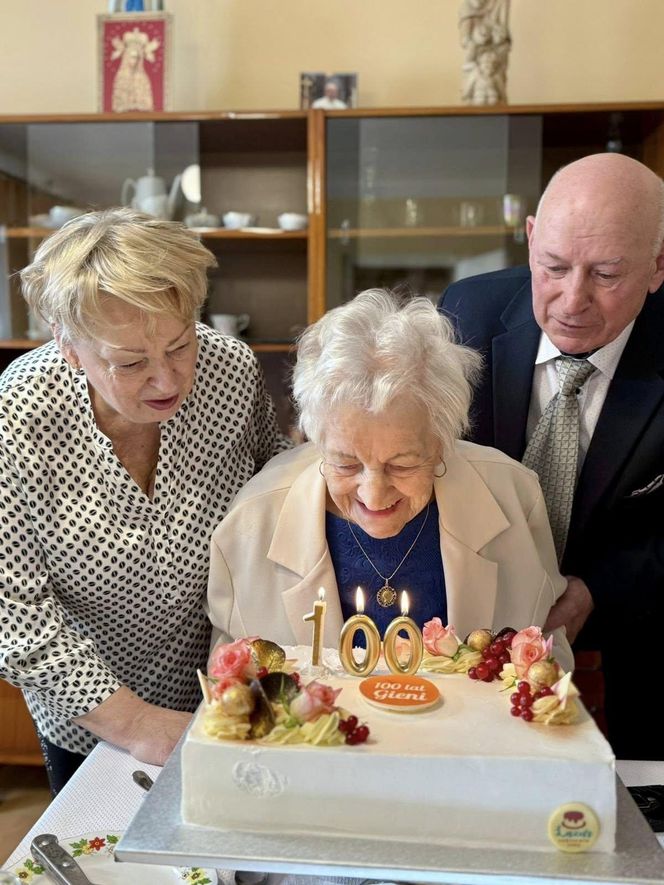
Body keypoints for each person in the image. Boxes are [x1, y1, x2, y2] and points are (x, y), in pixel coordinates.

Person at [0, 208, 287, 793]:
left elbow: (275, 485)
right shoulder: (19, 414)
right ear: (68, 346)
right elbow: (14, 612)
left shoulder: (230, 372)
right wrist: (134, 724)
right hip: (91, 714)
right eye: (130, 363)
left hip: (223, 680)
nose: (168, 381)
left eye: (180, 345)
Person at [207, 289, 573, 676]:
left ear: (442, 440)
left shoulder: (514, 498)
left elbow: (547, 663)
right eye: (346, 463)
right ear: (315, 439)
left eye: (402, 464)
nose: (373, 493)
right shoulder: (252, 522)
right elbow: (230, 687)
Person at [439, 152, 664, 760]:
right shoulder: (466, 314)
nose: (572, 300)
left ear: (657, 266)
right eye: (554, 267)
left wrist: (599, 588)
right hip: (474, 626)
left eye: (607, 274)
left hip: (640, 631)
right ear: (532, 237)